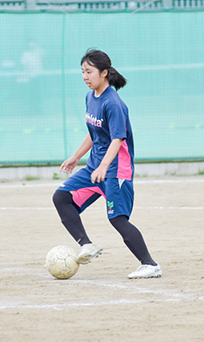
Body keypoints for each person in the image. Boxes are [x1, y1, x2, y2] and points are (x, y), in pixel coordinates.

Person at [52, 49, 162, 279]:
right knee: (62, 197)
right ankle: (86, 244)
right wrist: (75, 157)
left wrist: (103, 167)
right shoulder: (90, 97)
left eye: (89, 71)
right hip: (95, 168)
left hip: (115, 170)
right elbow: (94, 132)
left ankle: (150, 264)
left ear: (104, 73)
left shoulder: (113, 103)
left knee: (117, 219)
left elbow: (117, 138)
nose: (85, 76)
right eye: (82, 71)